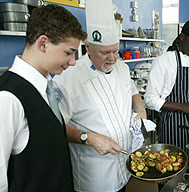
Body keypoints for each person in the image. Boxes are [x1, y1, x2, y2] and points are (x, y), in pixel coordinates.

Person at [0, 4, 86, 191]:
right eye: (68, 52)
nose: (72, 62)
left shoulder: (46, 86)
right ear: (43, 43)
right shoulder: (6, 99)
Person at [53, 0, 147, 191]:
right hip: (95, 174)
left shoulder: (120, 66)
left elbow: (133, 91)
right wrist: (88, 137)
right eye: (105, 52)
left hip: (124, 163)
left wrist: (141, 109)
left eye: (115, 50)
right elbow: (55, 126)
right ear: (87, 47)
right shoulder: (68, 76)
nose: (112, 58)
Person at [144, 19, 189, 150]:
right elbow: (149, 99)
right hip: (173, 128)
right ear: (182, 37)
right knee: (173, 165)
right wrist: (182, 107)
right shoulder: (164, 61)